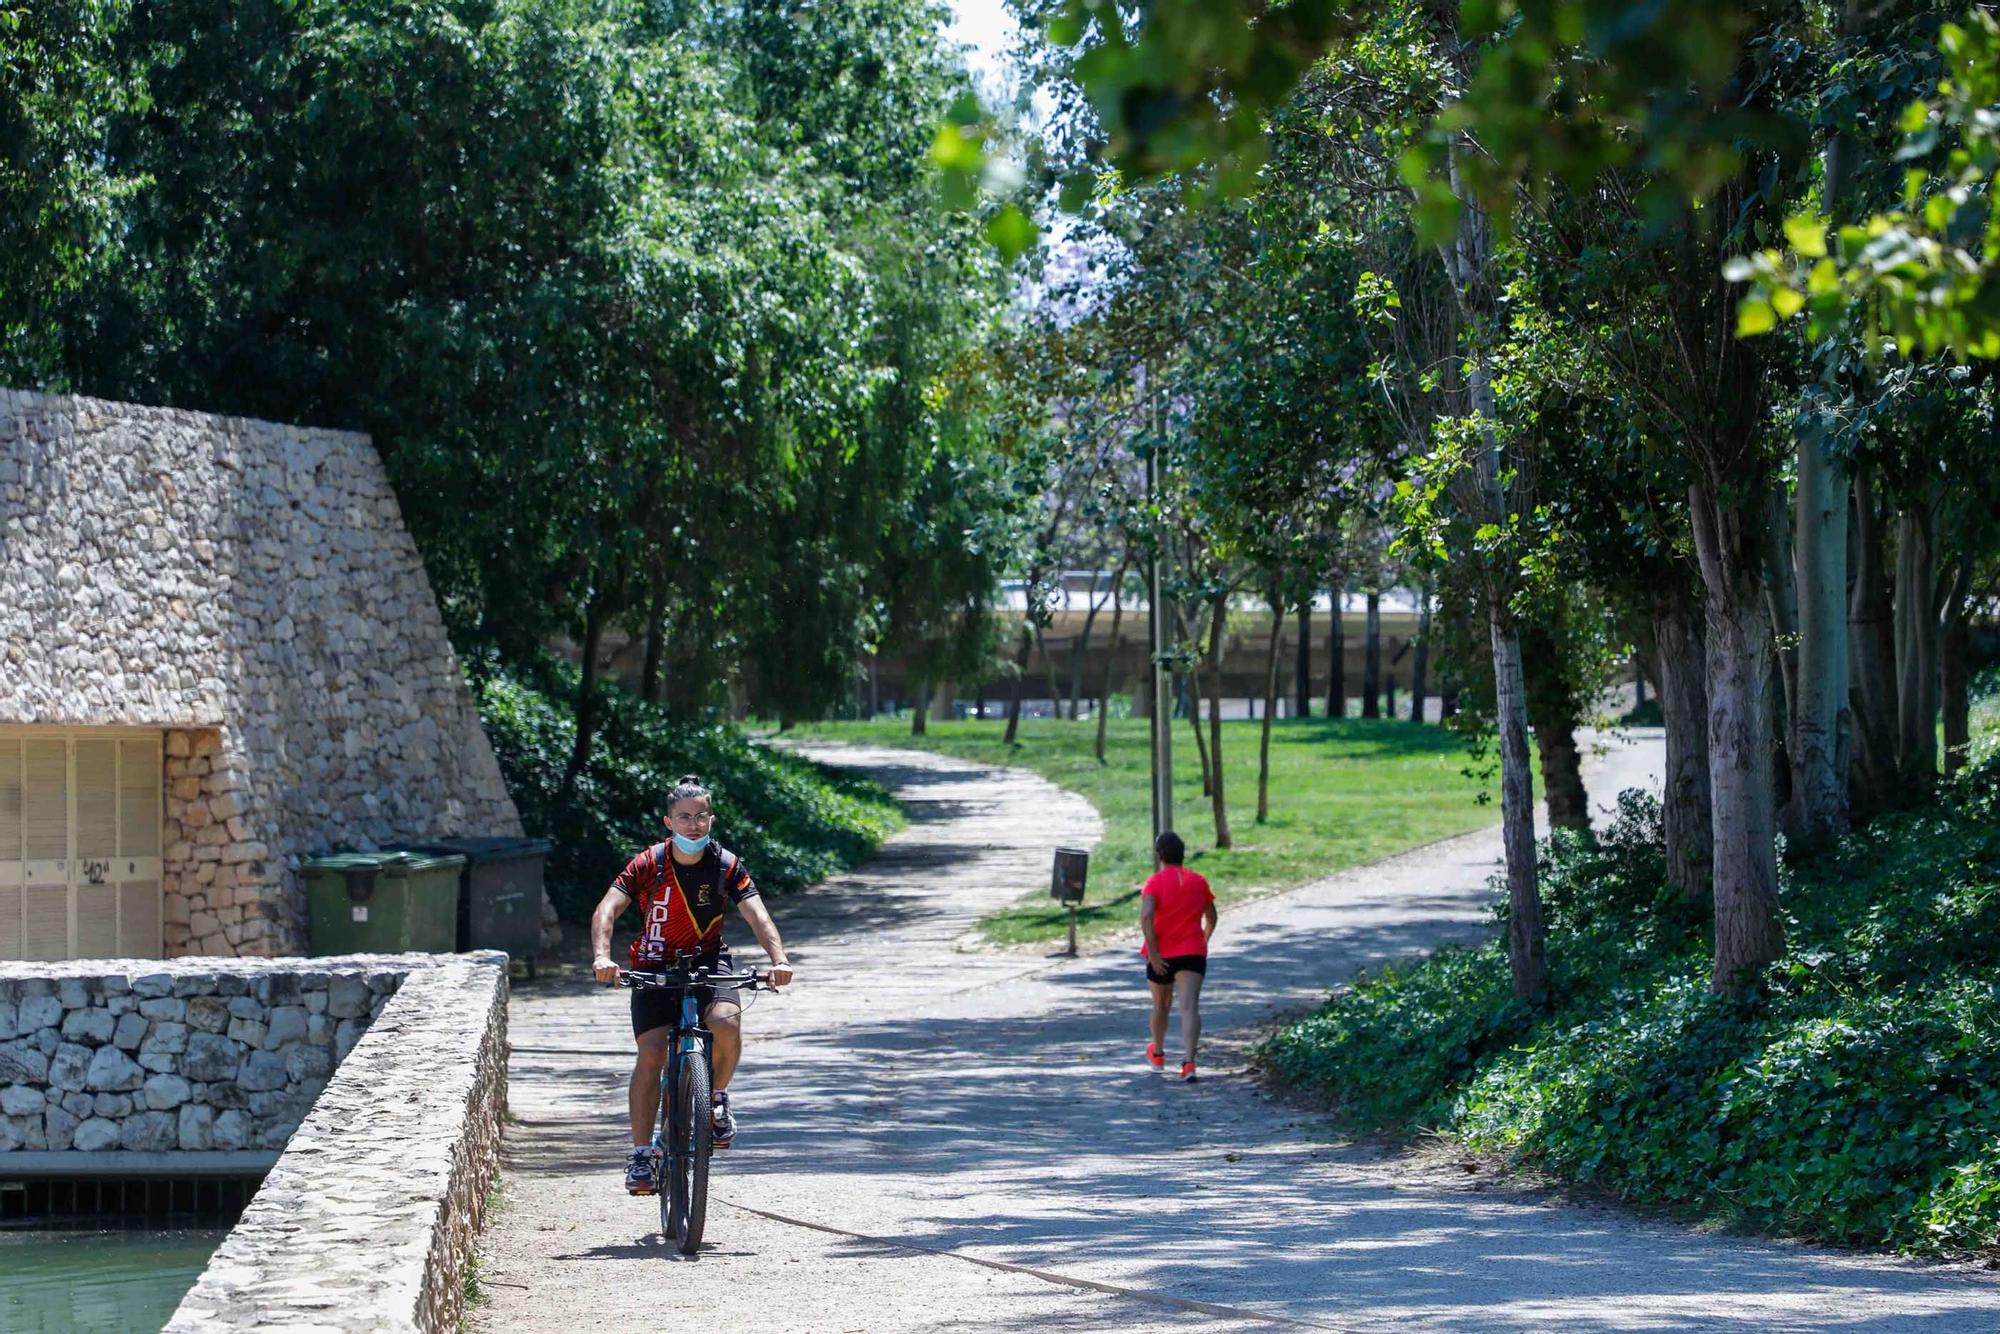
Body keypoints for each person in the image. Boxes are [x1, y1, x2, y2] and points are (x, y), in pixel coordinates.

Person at [592, 774, 794, 1194]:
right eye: (684, 818)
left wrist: (779, 960)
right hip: (653, 966)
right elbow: (607, 909)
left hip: (708, 962)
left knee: (727, 1022)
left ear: (711, 819)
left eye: (701, 817)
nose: (693, 825)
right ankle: (642, 1155)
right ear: (669, 823)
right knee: (651, 1053)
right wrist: (602, 956)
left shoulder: (725, 864)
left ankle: (716, 1099)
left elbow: (757, 915)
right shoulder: (649, 863)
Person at [1139, 830, 1216, 1083]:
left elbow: (1147, 915)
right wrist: (1203, 939)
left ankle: (1158, 1054)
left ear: (1159, 855)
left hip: (1162, 954)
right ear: (1183, 854)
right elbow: (1212, 916)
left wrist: (1153, 951)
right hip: (1192, 952)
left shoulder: (1154, 882)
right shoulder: (1198, 881)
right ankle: (1189, 1063)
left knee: (1161, 1005)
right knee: (1189, 1007)